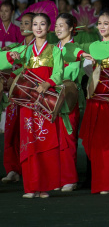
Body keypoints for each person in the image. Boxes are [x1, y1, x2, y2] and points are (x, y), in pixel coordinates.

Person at [5, 13, 65, 198]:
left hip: (46, 101)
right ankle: (31, 187)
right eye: (35, 24)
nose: (38, 27)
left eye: (42, 24)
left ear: (49, 28)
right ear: (32, 28)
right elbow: (14, 62)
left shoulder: (55, 50)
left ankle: (44, 186)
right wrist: (13, 55)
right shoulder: (25, 50)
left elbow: (59, 72)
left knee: (45, 143)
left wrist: (48, 84)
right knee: (29, 143)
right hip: (28, 103)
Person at [74, 9, 109, 195]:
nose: (102, 27)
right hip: (97, 98)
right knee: (98, 142)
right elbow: (93, 60)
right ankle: (103, 182)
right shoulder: (95, 46)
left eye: (106, 23)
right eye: (100, 23)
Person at [1, 12, 34, 184]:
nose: (23, 27)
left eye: (27, 23)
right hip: (15, 95)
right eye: (21, 23)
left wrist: (14, 73)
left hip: (32, 96)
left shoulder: (40, 48)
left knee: (28, 132)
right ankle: (12, 169)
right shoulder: (16, 47)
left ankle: (29, 167)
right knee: (10, 132)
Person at [54, 12, 82, 192]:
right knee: (55, 139)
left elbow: (73, 72)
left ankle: (70, 178)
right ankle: (57, 178)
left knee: (68, 138)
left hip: (69, 96)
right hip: (52, 97)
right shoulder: (52, 48)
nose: (57, 29)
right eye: (55, 26)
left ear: (71, 27)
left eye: (61, 25)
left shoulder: (77, 48)